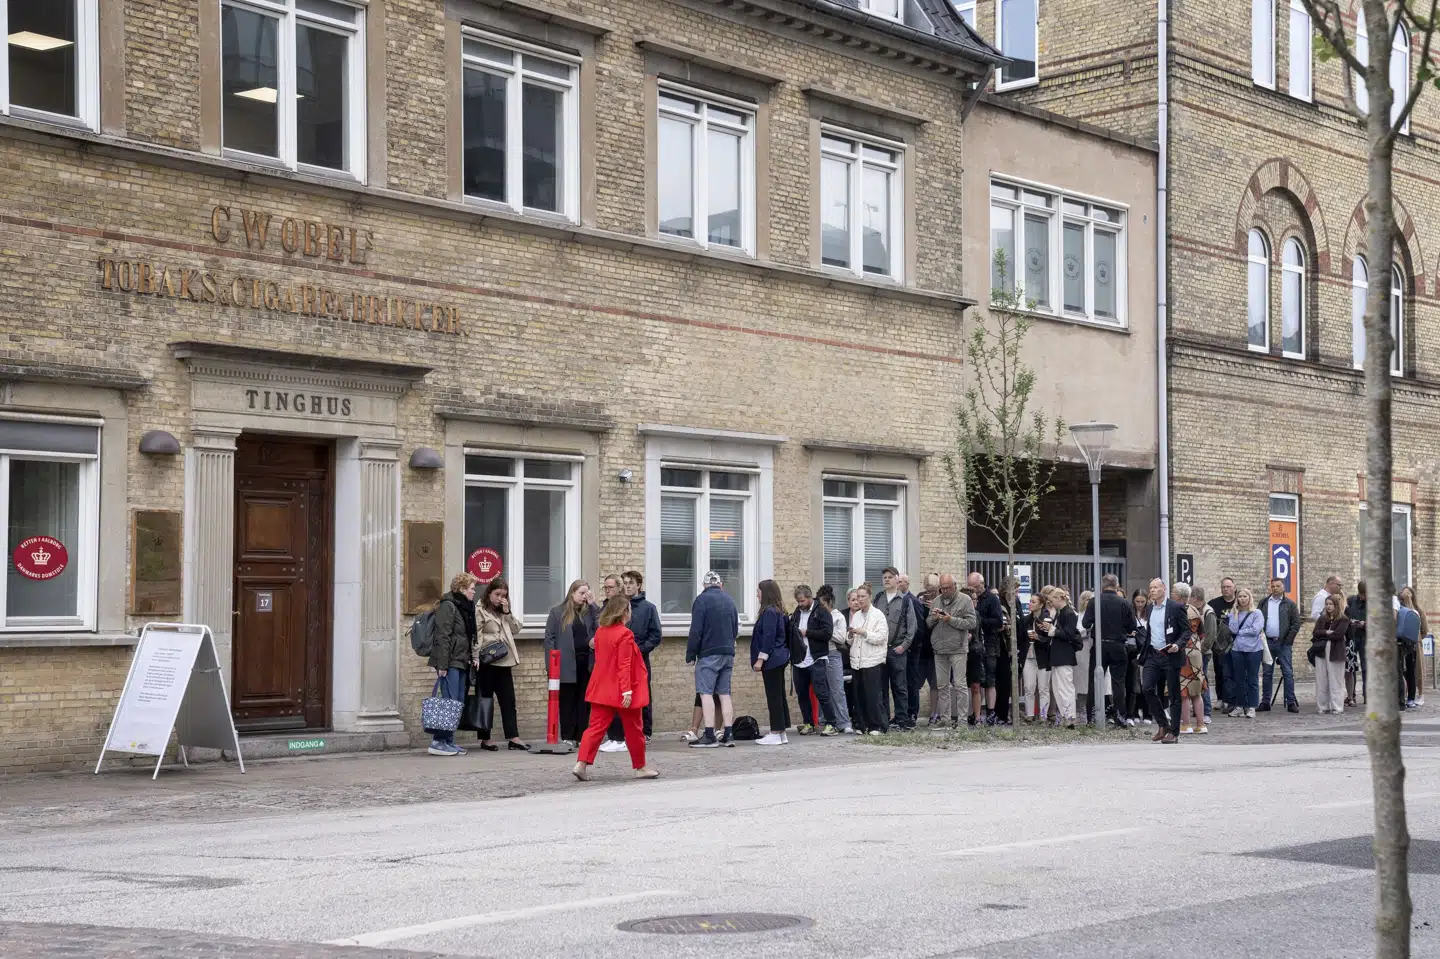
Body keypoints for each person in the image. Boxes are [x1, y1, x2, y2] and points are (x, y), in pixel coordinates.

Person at [572, 595, 659, 781]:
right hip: (622, 690)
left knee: (594, 728)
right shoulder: (625, 634)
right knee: (635, 729)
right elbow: (624, 664)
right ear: (624, 612)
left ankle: (581, 763)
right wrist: (627, 690)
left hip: (601, 688)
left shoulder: (601, 632)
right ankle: (640, 767)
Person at [599, 571, 663, 753]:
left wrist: (640, 649)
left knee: (642, 694)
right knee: (621, 695)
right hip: (620, 658)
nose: (627, 586)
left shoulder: (648, 608)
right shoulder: (619, 606)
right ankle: (621, 735)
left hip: (640, 657)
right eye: (625, 583)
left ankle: (645, 732)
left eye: (630, 583)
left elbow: (656, 635)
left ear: (638, 586)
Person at [426, 572, 478, 756]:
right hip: (449, 662)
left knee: (457, 703)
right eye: (472, 589)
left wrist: (473, 657)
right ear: (462, 589)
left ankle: (449, 740)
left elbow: (468, 637)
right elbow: (443, 636)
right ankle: (438, 741)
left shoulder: (466, 608)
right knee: (449, 702)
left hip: (461, 661)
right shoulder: (448, 606)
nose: (474, 592)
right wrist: (442, 665)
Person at [473, 578, 528, 752]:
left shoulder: (503, 611)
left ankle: (514, 737)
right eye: (497, 595)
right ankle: (485, 739)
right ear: (489, 593)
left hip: (505, 661)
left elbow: (517, 629)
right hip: (487, 663)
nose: (500, 598)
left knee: (508, 701)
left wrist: (507, 612)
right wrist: (475, 657)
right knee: (485, 701)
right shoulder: (480, 610)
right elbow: (476, 636)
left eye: (503, 595)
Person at [686, 570, 739, 748]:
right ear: (720, 585)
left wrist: (691, 654)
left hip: (709, 653)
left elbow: (696, 630)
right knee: (724, 693)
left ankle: (709, 734)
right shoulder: (730, 600)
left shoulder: (701, 600)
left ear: (704, 585)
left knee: (705, 692)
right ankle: (728, 734)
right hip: (728, 651)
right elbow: (735, 629)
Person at [543, 580, 598, 745]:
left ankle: (581, 736)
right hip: (566, 663)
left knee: (584, 701)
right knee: (567, 701)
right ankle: (567, 736)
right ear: (572, 593)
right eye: (581, 593)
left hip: (586, 663)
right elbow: (549, 639)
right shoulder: (557, 612)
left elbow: (602, 624)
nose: (584, 597)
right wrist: (551, 667)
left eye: (586, 593)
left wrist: (593, 603)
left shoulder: (589, 612)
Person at [1083, 573, 1137, 728]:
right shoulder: (1124, 603)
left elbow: (1086, 623)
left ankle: (1092, 718)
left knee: (1094, 683)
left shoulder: (1094, 602)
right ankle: (1120, 718)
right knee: (1118, 683)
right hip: (1118, 646)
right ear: (1117, 585)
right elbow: (1132, 627)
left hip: (1099, 645)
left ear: (1102, 584)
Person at [1141, 578, 1190, 743]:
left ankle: (1174, 733)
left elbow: (1186, 631)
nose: (1152, 590)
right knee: (1147, 688)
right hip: (1153, 655)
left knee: (1174, 695)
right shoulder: (1150, 608)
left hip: (1170, 655)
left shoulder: (1175, 607)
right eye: (1151, 587)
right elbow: (1150, 632)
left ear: (1164, 589)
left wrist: (1178, 645)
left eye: (1155, 587)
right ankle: (1163, 724)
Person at [928, 573, 977, 728]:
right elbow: (928, 623)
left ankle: (962, 721)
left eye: (947, 588)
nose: (944, 591)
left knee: (960, 685)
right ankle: (945, 719)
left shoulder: (965, 600)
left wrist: (951, 619)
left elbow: (971, 623)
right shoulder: (936, 600)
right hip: (939, 648)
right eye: (941, 588)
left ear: (954, 586)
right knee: (942, 685)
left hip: (958, 648)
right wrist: (935, 617)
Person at [790, 584, 839, 734]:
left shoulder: (822, 611)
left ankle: (832, 724)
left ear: (810, 598)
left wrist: (807, 632)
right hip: (800, 659)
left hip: (817, 657)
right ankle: (809, 723)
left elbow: (827, 633)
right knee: (802, 693)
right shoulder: (798, 612)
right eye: (798, 602)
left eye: (803, 601)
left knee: (821, 692)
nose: (800, 604)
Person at [751, 579, 792, 744]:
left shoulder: (769, 612)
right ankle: (781, 732)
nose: (757, 594)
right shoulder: (779, 610)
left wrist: (760, 659)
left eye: (758, 591)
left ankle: (776, 732)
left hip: (773, 659)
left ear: (766, 593)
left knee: (773, 696)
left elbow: (768, 637)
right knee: (779, 695)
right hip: (780, 657)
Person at [874, 567, 915, 730]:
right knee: (882, 686)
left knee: (900, 686)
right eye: (884, 577)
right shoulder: (878, 599)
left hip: (897, 650)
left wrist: (903, 647)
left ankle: (901, 719)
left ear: (897, 580)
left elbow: (912, 627)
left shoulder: (905, 600)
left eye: (890, 577)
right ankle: (884, 719)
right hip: (880, 650)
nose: (886, 580)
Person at [847, 583, 891, 735]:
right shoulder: (856, 615)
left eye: (862, 596)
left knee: (873, 694)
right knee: (859, 694)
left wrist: (864, 633)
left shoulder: (878, 615)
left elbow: (881, 637)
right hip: (857, 660)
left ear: (870, 597)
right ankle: (862, 724)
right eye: (857, 596)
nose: (859, 600)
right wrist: (851, 635)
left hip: (873, 660)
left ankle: (877, 725)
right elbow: (849, 641)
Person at [1039, 588, 1081, 727]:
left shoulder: (1069, 614)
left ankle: (1069, 717)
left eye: (1052, 600)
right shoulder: (1061, 613)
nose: (1051, 603)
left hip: (1064, 655)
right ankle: (1065, 716)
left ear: (1059, 599)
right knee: (1058, 688)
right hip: (1058, 655)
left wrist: (1052, 630)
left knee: (1065, 687)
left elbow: (1069, 635)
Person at [969, 572, 1006, 725]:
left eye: (975, 587)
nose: (974, 590)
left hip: (990, 644)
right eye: (971, 587)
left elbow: (998, 621)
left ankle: (991, 712)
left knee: (990, 680)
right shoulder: (970, 599)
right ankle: (976, 713)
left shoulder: (992, 599)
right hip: (975, 645)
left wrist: (979, 620)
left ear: (982, 584)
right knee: (976, 681)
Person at [1259, 578, 1301, 713]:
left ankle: (1290, 702)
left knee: (1288, 673)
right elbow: (1258, 620)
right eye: (1273, 586)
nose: (1275, 588)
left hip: (1283, 643)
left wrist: (1288, 641)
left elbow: (1295, 624)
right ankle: (1265, 702)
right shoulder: (1264, 603)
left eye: (1278, 586)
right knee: (1266, 673)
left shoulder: (1290, 604)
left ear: (1283, 587)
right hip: (1268, 642)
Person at [1227, 587, 1270, 718]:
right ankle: (1240, 705)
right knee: (1239, 679)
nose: (1242, 599)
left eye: (1245, 596)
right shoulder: (1234, 613)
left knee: (1252, 679)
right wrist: (1234, 614)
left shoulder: (1257, 613)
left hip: (1254, 650)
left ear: (1249, 598)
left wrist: (1241, 632)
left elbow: (1255, 630)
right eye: (1240, 597)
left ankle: (1251, 706)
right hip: (1237, 649)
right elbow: (1232, 629)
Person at [817, 585, 854, 734]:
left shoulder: (838, 616)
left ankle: (844, 722)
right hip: (820, 654)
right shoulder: (818, 615)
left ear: (829, 602)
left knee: (837, 690)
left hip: (833, 654)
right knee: (822, 690)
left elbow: (840, 638)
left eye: (823, 604)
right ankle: (824, 720)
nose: (821, 607)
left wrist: (826, 631)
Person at [906, 574, 940, 726]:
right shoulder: (918, 599)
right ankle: (912, 713)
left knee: (935, 684)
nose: (930, 592)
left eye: (933, 589)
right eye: (928, 588)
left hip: (936, 649)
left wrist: (936, 609)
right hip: (920, 648)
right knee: (915, 683)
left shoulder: (941, 600)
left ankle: (934, 713)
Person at [1173, 582, 1206, 735]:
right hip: (1196, 649)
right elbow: (1202, 632)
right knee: (1197, 690)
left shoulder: (1177, 610)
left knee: (1183, 689)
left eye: (1173, 592)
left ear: (1178, 595)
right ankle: (1201, 724)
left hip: (1183, 649)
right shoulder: (1195, 610)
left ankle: (1186, 724)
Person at [1311, 594, 1350, 714]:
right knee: (1321, 678)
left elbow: (1338, 634)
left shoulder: (1343, 619)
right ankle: (1323, 706)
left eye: (1330, 604)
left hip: (1336, 650)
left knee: (1335, 679)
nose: (1328, 607)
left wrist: (1325, 634)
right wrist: (1327, 632)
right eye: (1326, 604)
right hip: (1321, 650)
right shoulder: (1322, 619)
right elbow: (1315, 633)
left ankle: (1337, 706)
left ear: (1336, 605)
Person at [1207, 579, 1238, 715]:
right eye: (1223, 587)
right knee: (1219, 671)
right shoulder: (1214, 604)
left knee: (1233, 672)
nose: (1226, 589)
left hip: (1236, 643)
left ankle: (1231, 698)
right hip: (1219, 644)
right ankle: (1220, 697)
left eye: (1228, 587)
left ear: (1234, 588)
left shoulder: (1240, 601)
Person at [1399, 585, 1427, 707]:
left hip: (1415, 644)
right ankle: (1404, 695)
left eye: (1408, 594)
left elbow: (1424, 630)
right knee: (1404, 671)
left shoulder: (1418, 611)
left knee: (1416, 671)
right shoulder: (1399, 609)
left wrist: (1416, 638)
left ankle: (1420, 694)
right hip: (1402, 645)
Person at [1345, 581, 1368, 707]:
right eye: (1363, 594)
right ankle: (1351, 695)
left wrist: (1365, 624)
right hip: (1352, 637)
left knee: (1367, 668)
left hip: (1367, 638)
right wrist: (1350, 621)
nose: (1365, 597)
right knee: (1351, 667)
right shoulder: (1351, 600)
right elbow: (1344, 616)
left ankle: (1367, 696)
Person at [1396, 599, 1421, 709]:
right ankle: (1405, 699)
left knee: (1400, 673)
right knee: (1403, 673)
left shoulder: (1394, 606)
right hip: (1407, 644)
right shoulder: (1410, 612)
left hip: (1400, 644)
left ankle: (1401, 701)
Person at [1129, 588, 1149, 723]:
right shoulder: (1130, 614)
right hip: (1134, 650)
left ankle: (1148, 712)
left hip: (1147, 650)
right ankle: (1135, 711)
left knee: (1147, 682)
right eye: (1137, 601)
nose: (1140, 604)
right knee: (1134, 682)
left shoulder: (1150, 614)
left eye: (1142, 601)